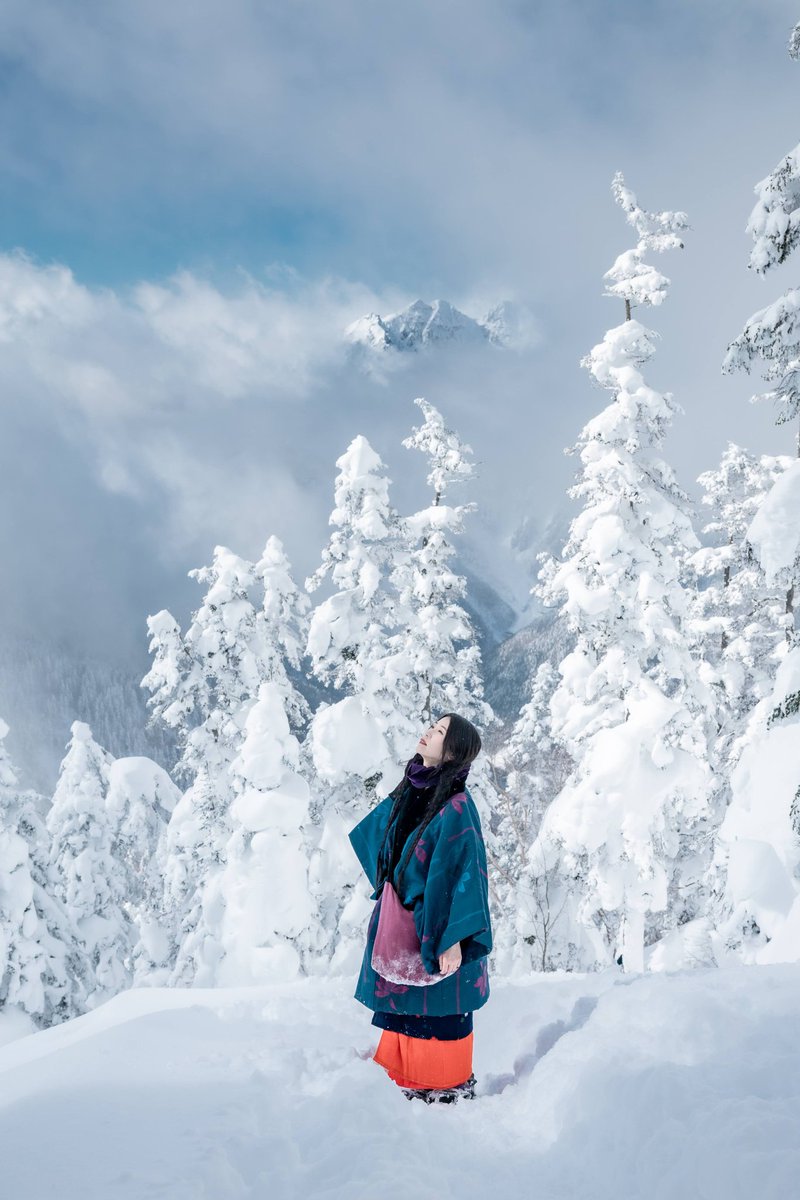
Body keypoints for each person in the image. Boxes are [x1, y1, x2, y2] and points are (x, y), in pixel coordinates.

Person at [348, 712, 492, 1104]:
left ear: (452, 752)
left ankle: (440, 1088)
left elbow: (467, 872)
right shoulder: (413, 787)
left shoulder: (458, 805)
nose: (429, 731)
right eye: (433, 725)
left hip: (438, 925)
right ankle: (399, 1078)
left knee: (438, 1007)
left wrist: (454, 938)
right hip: (405, 919)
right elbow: (384, 844)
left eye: (440, 731)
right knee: (405, 1003)